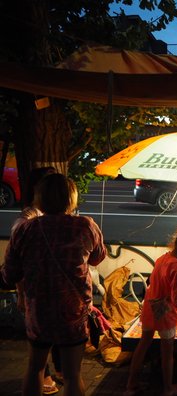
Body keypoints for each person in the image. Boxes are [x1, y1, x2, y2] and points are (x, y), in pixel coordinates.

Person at [1, 173, 106, 396]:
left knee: (35, 367)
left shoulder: (25, 229)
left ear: (39, 198)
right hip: (73, 311)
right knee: (72, 374)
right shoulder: (85, 226)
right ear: (71, 199)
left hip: (39, 311)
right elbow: (97, 257)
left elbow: (9, 274)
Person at [126, 224, 177, 396]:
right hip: (164, 312)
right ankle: (168, 388)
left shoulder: (162, 259)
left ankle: (131, 386)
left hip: (149, 307)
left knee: (143, 345)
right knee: (167, 352)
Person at [10, 166, 61, 395]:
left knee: (54, 336)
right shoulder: (26, 221)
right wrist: (20, 293)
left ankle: (56, 370)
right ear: (37, 189)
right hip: (35, 292)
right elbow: (14, 264)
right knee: (38, 349)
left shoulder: (56, 216)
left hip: (57, 291)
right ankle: (47, 374)